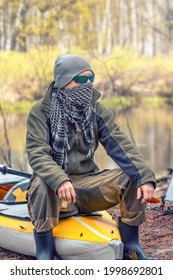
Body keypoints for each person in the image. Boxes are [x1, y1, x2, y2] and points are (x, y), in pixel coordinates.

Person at [26, 54, 158, 260]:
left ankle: (131, 246)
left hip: (86, 185)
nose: (87, 84)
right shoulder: (41, 111)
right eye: (81, 79)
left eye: (90, 78)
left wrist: (144, 175)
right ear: (63, 81)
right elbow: (37, 153)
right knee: (43, 182)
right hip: (53, 189)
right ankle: (45, 252)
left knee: (132, 176)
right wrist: (59, 179)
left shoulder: (95, 109)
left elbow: (120, 144)